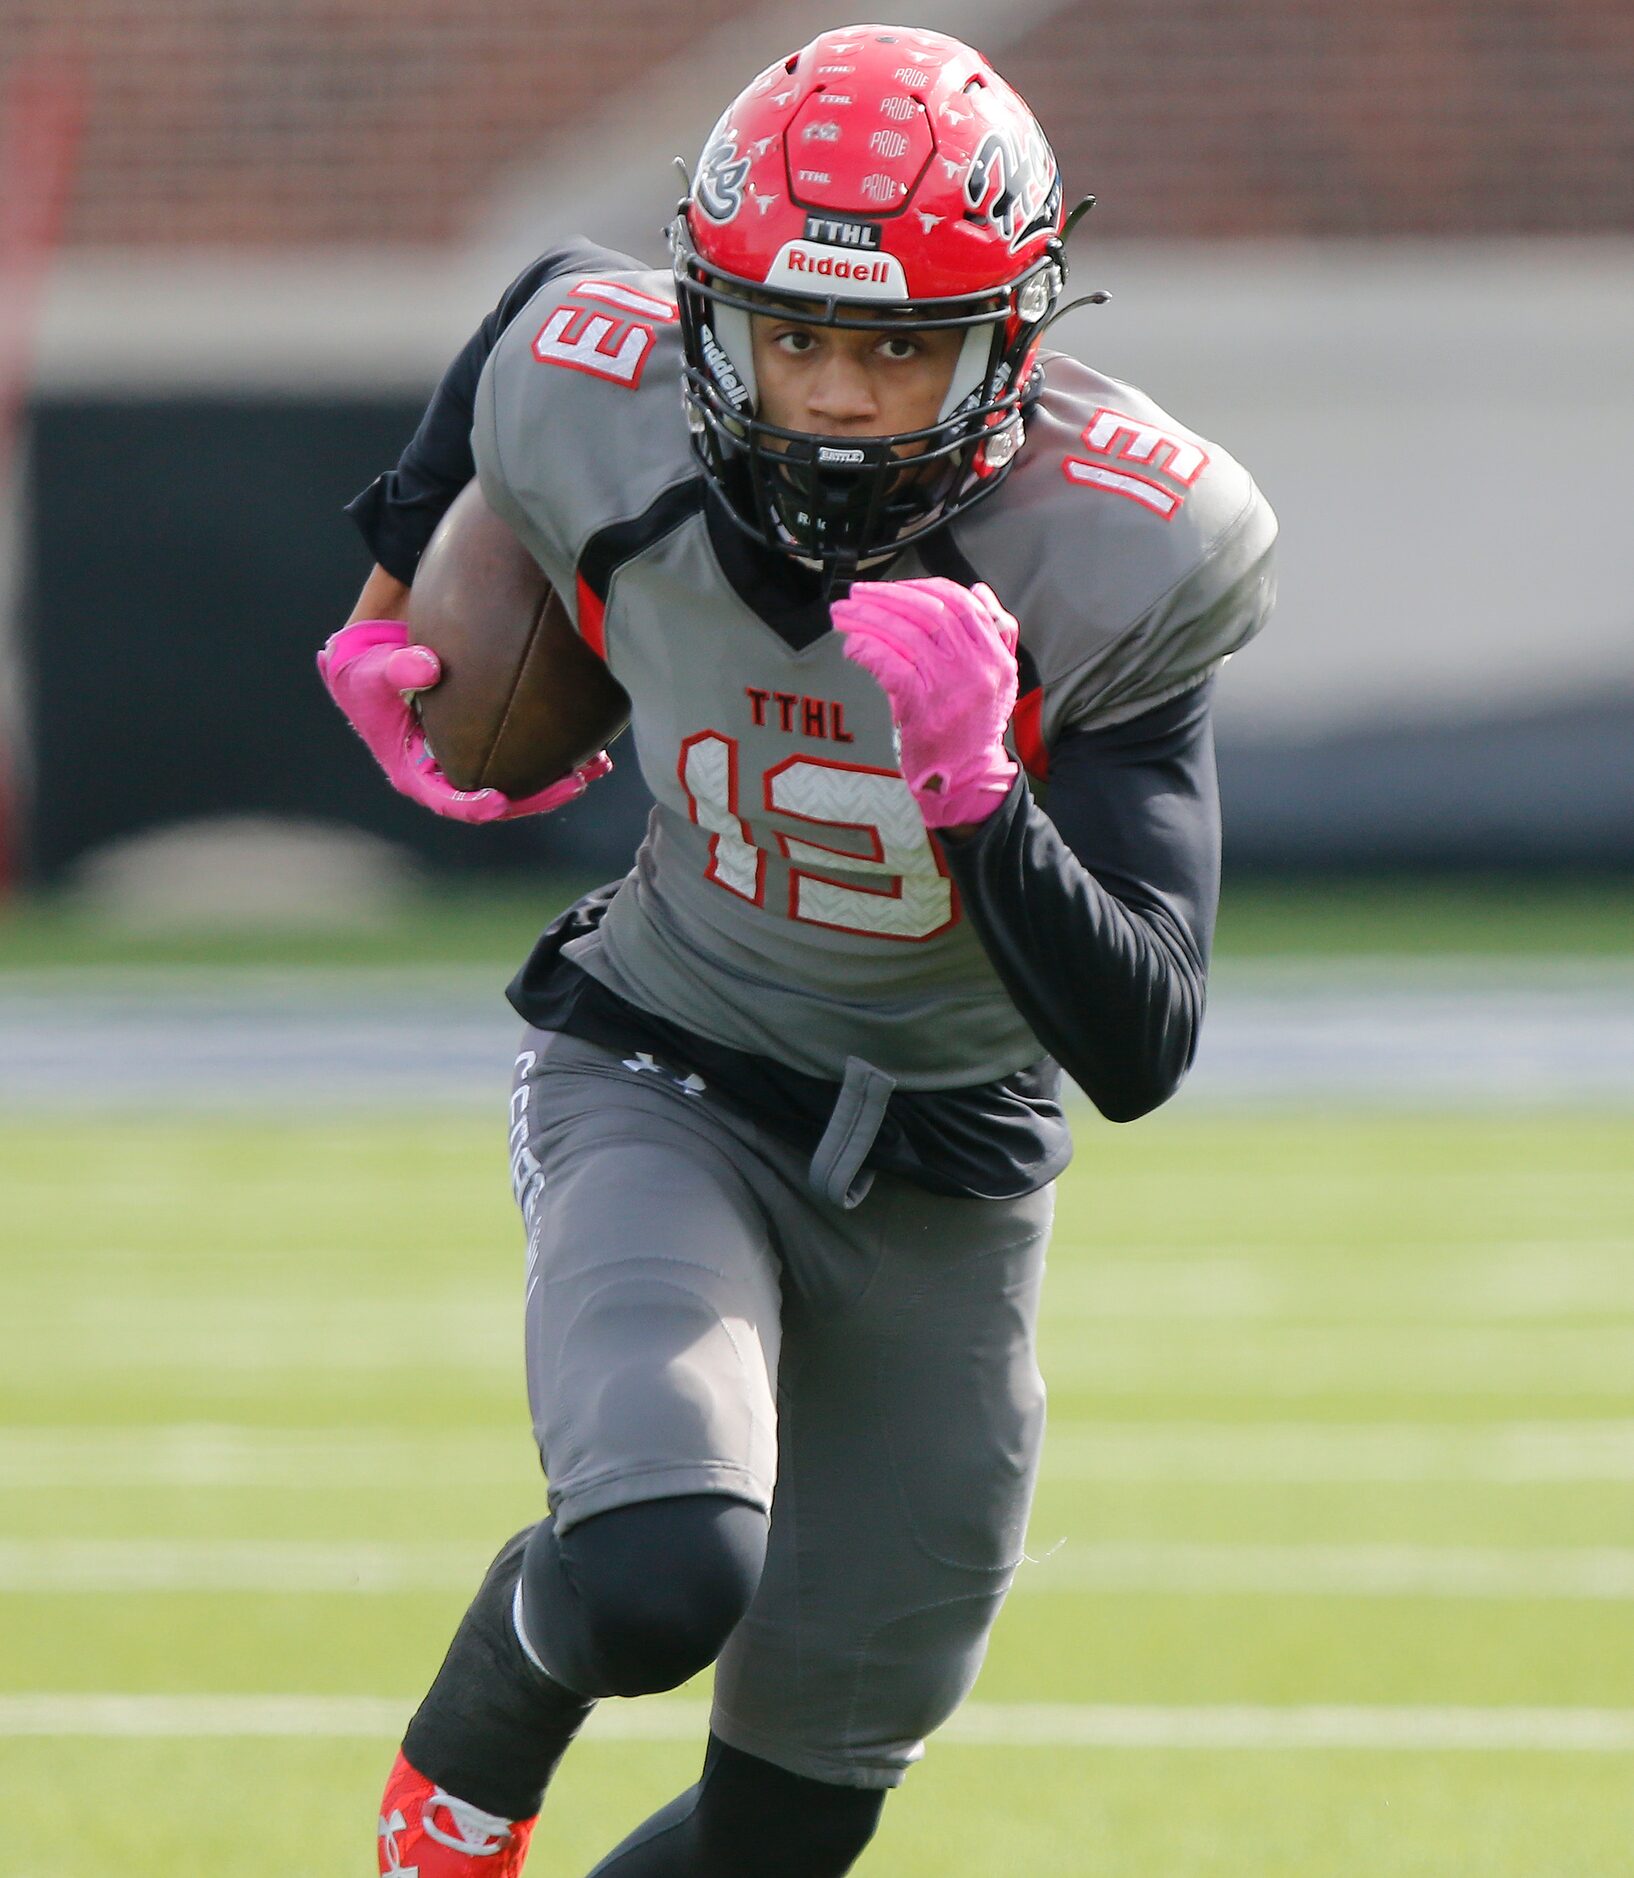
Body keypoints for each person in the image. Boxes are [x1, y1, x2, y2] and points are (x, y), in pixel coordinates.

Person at [320, 23, 1277, 1876]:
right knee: (658, 1564)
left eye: (900, 344)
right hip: (665, 1057)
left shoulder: (1125, 552)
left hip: (949, 1161)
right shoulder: (584, 380)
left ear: (1007, 339)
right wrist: (375, 610)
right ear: (711, 316)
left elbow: (1144, 1038)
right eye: (796, 333)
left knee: (789, 1824)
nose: (837, 391)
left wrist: (981, 792)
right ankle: (459, 1786)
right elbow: (523, 325)